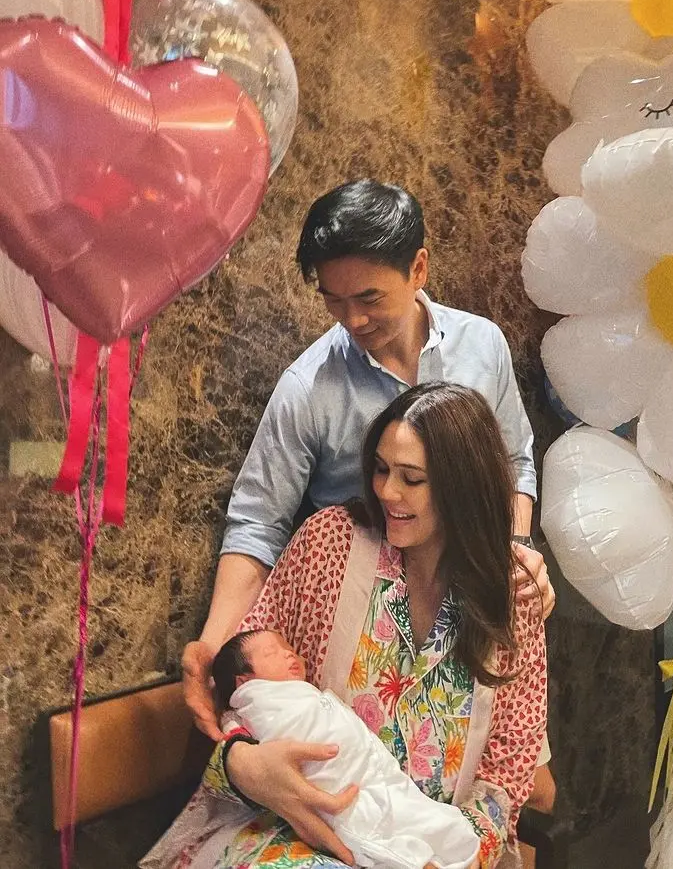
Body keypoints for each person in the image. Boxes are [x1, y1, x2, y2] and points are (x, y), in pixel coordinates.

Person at [181, 180, 556, 808]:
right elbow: (258, 523)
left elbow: (514, 461)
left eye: (369, 298)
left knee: (504, 787)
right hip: (360, 639)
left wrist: (513, 552)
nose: (352, 320)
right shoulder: (308, 387)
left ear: (419, 268)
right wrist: (218, 651)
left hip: (468, 619)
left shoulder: (482, 345)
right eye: (334, 300)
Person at [144, 383, 547, 869]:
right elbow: (242, 689)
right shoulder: (328, 545)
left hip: (425, 850)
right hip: (290, 830)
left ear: (462, 486)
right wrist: (242, 762)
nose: (387, 491)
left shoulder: (512, 596)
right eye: (380, 469)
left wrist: (452, 857)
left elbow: (505, 776)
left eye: (411, 478)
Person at [208, 629, 480, 869]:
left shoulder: (302, 692)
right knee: (382, 843)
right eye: (272, 652)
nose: (289, 653)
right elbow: (228, 726)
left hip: (376, 775)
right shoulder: (254, 701)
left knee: (440, 823)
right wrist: (239, 756)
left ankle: (456, 849)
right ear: (243, 682)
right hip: (341, 798)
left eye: (288, 647)